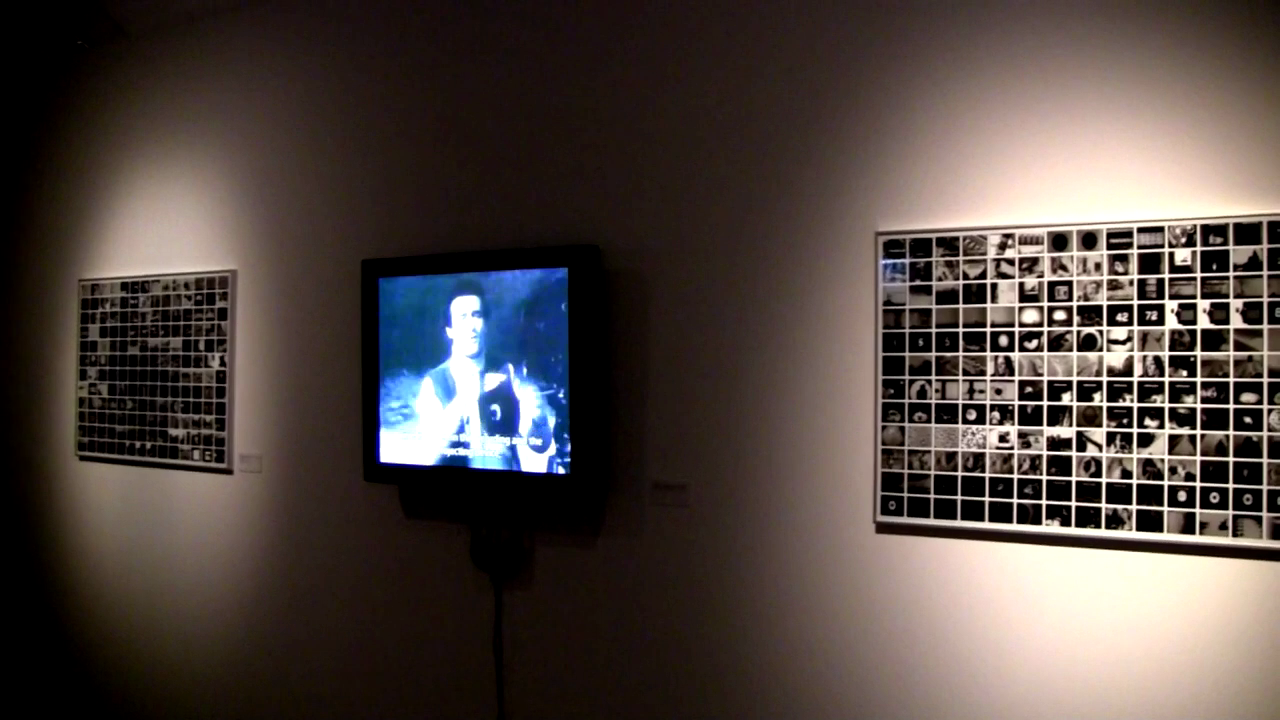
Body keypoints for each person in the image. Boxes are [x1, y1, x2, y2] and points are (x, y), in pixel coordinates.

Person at [414, 280, 546, 470]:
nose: (471, 326)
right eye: (462, 318)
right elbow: (427, 457)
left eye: (477, 315)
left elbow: (540, 446)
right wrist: (464, 399)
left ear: (486, 324)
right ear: (449, 331)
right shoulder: (434, 383)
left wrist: (539, 420)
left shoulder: (507, 372)